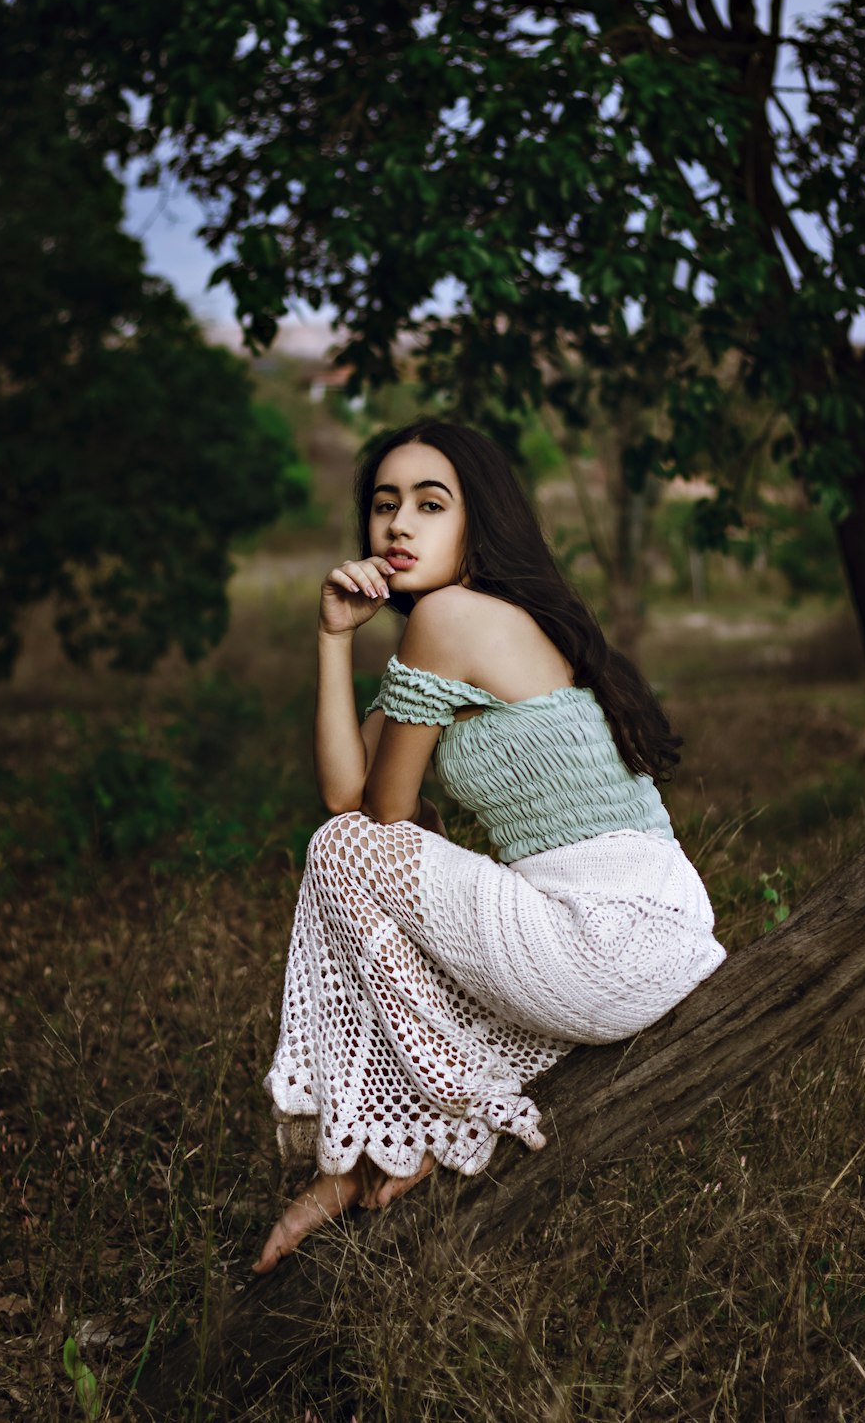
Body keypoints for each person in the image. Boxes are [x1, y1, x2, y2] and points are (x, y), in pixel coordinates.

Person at [253, 420, 725, 1274]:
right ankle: (394, 1138)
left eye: (430, 505)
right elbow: (342, 785)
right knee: (341, 840)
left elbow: (381, 814)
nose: (398, 525)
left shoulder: (451, 617)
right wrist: (333, 639)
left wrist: (368, 664)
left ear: (481, 523)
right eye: (384, 505)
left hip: (610, 932)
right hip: (638, 928)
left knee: (342, 851)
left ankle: (405, 1130)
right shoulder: (458, 628)